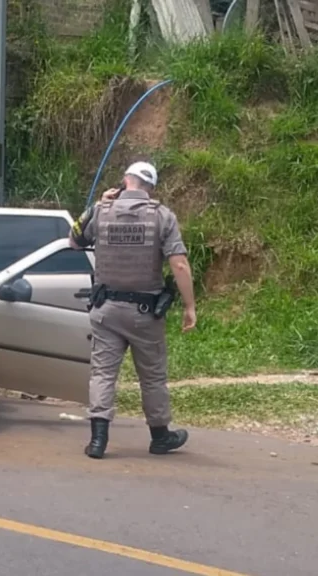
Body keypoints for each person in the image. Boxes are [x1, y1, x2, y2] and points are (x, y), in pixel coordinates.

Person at [68, 161, 197, 459]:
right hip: (145, 313)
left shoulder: (101, 211)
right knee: (152, 377)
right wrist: (190, 306)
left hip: (106, 309)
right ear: (150, 188)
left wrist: (96, 204)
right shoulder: (162, 216)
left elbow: (73, 240)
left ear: (126, 181)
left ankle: (98, 441)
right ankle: (160, 437)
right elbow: (178, 263)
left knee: (102, 374)